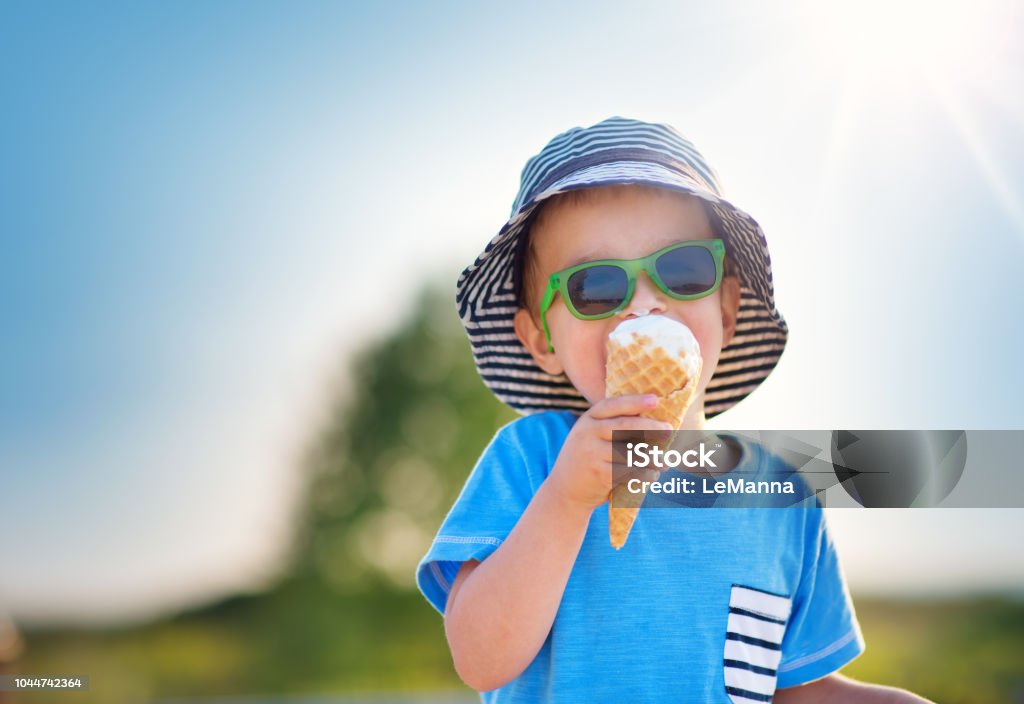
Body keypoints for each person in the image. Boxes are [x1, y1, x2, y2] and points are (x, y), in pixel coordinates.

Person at [415, 117, 931, 702]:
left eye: (683, 271)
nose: (644, 304)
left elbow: (790, 689)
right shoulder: (531, 460)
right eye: (595, 287)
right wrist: (565, 500)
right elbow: (481, 659)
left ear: (728, 309)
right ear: (541, 341)